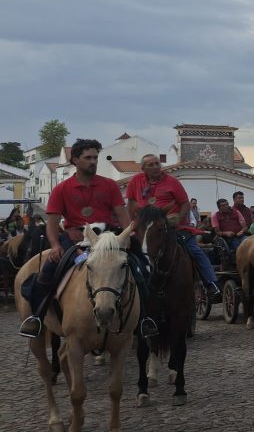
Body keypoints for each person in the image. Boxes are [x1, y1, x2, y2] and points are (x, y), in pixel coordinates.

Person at [18, 139, 144, 338]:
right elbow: (52, 223)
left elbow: (121, 214)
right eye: (88, 158)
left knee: (142, 266)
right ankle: (37, 317)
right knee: (48, 272)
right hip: (74, 239)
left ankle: (146, 318)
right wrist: (55, 245)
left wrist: (128, 236)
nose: (93, 161)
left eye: (95, 157)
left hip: (108, 238)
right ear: (75, 160)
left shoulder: (109, 185)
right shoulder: (61, 189)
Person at [125, 153, 220, 299]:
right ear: (143, 168)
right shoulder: (136, 181)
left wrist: (178, 221)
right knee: (125, 253)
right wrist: (134, 225)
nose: (156, 167)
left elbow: (185, 204)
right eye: (151, 165)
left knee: (195, 251)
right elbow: (130, 203)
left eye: (157, 163)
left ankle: (211, 283)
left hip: (172, 227)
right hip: (146, 228)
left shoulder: (172, 181)